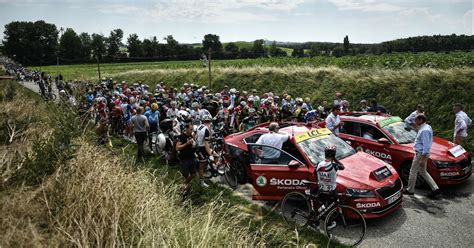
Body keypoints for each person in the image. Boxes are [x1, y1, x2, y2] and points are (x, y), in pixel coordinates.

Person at [403, 114, 441, 198]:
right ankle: (435, 189)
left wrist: (422, 159)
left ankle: (410, 190)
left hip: (420, 154)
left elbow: (426, 146)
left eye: (416, 120)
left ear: (420, 120)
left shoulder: (424, 131)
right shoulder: (427, 127)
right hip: (421, 154)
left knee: (413, 172)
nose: (414, 122)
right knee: (423, 171)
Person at [314, 145, 344, 229]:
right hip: (331, 191)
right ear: (334, 154)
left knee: (323, 205)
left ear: (325, 154)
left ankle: (317, 219)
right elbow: (342, 167)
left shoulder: (319, 164)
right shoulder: (334, 165)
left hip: (321, 189)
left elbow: (314, 174)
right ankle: (329, 224)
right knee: (332, 206)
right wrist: (335, 159)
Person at [196, 115, 214, 187]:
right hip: (201, 148)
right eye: (208, 121)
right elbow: (206, 143)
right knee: (201, 166)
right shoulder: (206, 130)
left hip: (199, 146)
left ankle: (209, 168)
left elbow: (195, 135)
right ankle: (201, 182)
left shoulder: (199, 126)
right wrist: (210, 154)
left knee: (216, 155)